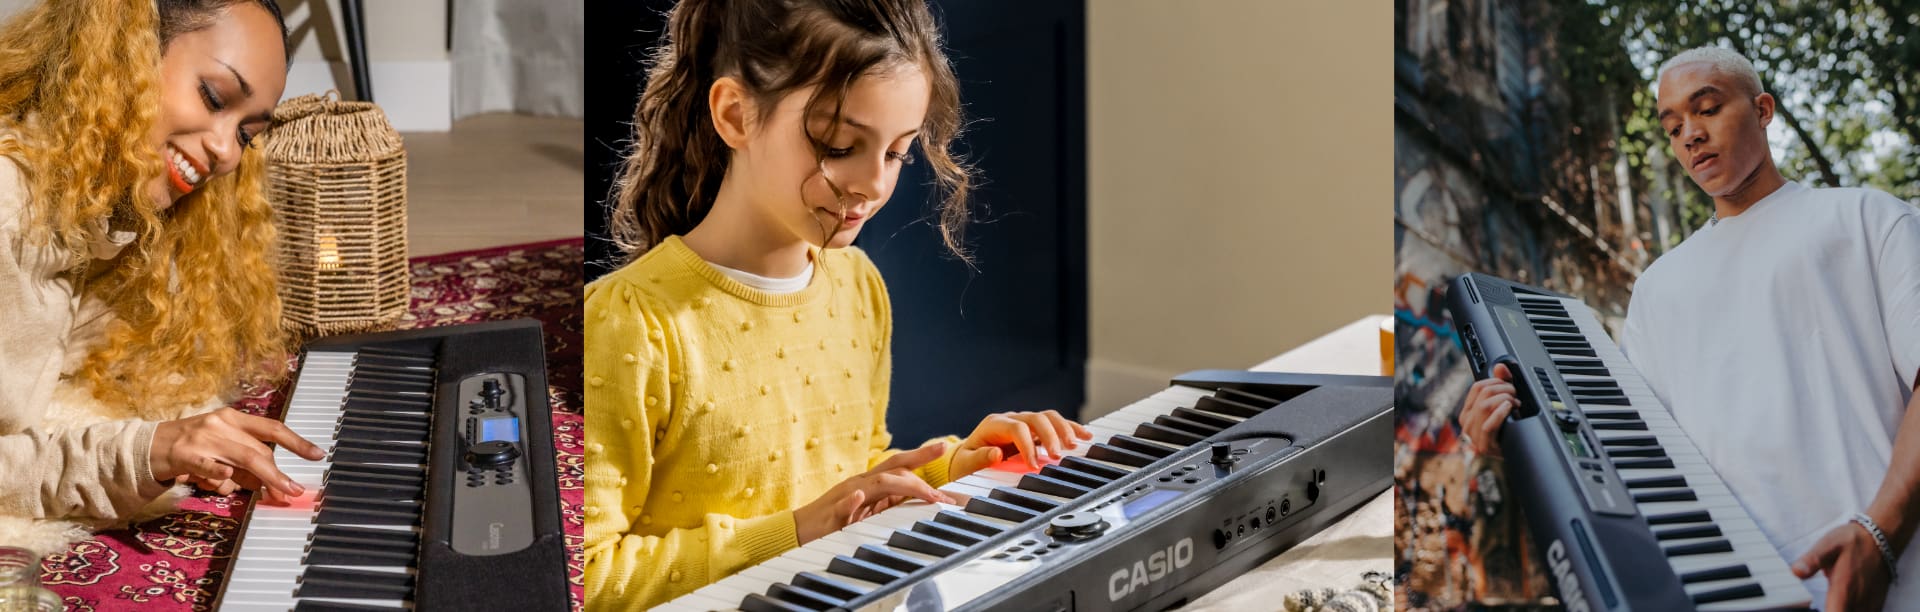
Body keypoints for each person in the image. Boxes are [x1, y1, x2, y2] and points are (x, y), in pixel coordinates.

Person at [581, 0, 1092, 607]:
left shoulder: (855, 281)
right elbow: (587, 577)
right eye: (837, 143)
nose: (874, 184)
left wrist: (953, 467)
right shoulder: (630, 321)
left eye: (897, 151)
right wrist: (795, 534)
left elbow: (852, 473)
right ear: (736, 115)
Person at [1458, 47, 1920, 610]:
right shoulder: (1657, 287)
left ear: (1763, 109)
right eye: (1674, 127)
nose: (1690, 136)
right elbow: (1628, 458)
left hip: (1893, 581)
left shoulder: (1868, 219)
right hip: (1730, 596)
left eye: (1707, 109)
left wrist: (1881, 534)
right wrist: (1519, 438)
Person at [0, 0, 322, 527]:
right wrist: (139, 453)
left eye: (246, 133)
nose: (226, 152)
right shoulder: (8, 210)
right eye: (214, 96)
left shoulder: (108, 211)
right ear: (126, 52)